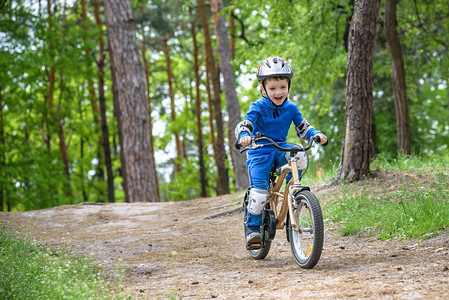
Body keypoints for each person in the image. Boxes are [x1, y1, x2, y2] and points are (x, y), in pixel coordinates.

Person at [235, 56, 328, 245]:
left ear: (289, 87)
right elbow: (246, 124)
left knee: (299, 153)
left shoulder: (291, 107)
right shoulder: (258, 106)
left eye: (283, 87)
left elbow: (303, 127)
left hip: (279, 148)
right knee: (260, 193)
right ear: (263, 89)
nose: (278, 92)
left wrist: (316, 134)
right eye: (272, 88)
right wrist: (244, 135)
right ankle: (253, 229)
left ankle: (292, 189)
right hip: (259, 151)